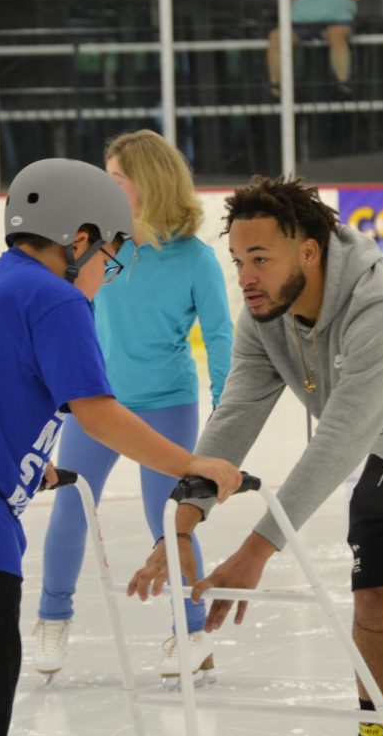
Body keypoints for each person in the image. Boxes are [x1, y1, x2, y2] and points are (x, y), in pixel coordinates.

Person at [0, 158, 241, 736]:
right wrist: (191, 465)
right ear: (79, 239)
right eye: (110, 259)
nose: (107, 275)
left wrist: (29, 465)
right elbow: (99, 413)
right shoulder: (55, 299)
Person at [128, 176, 383, 736]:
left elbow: (339, 441)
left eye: (260, 258)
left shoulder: (382, 308)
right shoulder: (264, 316)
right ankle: (379, 733)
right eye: (237, 260)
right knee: (375, 598)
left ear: (308, 250)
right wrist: (180, 522)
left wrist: (255, 552)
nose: (246, 277)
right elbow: (235, 418)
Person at [31, 130, 234, 685]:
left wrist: (225, 409)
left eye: (116, 177)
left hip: (167, 404)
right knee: (72, 510)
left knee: (169, 522)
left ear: (147, 182)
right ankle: (52, 617)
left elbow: (220, 336)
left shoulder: (195, 260)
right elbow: (69, 320)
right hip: (99, 405)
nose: (106, 186)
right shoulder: (100, 247)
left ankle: (191, 631)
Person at [268, 0, 363, 98]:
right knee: (276, 37)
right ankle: (276, 90)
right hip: (300, 22)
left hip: (336, 19)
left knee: (336, 35)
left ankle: (343, 87)